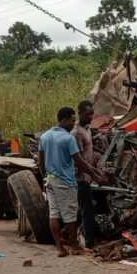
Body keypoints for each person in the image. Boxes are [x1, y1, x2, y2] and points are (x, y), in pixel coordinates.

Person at [39, 107, 103, 257]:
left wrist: (44, 178)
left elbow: (41, 161)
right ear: (64, 119)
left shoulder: (45, 136)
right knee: (70, 216)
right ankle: (74, 246)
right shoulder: (68, 139)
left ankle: (60, 248)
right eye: (72, 120)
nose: (74, 124)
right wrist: (96, 174)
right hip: (65, 181)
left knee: (54, 214)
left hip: (50, 179)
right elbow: (80, 162)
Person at [71, 100, 99, 248]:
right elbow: (78, 159)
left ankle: (73, 235)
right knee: (86, 210)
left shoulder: (87, 129)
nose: (91, 117)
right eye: (88, 114)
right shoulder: (76, 133)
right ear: (80, 113)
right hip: (80, 177)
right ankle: (89, 241)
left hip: (87, 176)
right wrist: (94, 173)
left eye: (92, 114)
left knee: (82, 208)